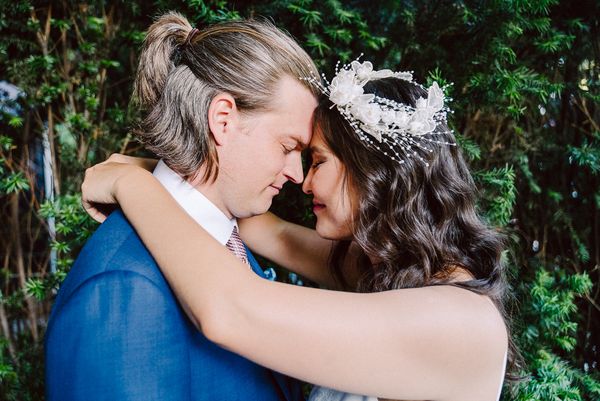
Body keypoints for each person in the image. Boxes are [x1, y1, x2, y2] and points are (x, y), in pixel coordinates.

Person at [81, 59, 517, 401]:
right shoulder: (388, 272)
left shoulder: (461, 324)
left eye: (318, 161)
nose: (304, 182)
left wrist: (130, 185)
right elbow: (267, 231)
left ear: (372, 171)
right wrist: (160, 171)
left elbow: (231, 311)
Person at [44, 11, 319, 401]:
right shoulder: (123, 287)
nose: (297, 173)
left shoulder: (232, 242)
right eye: (288, 146)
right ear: (222, 120)